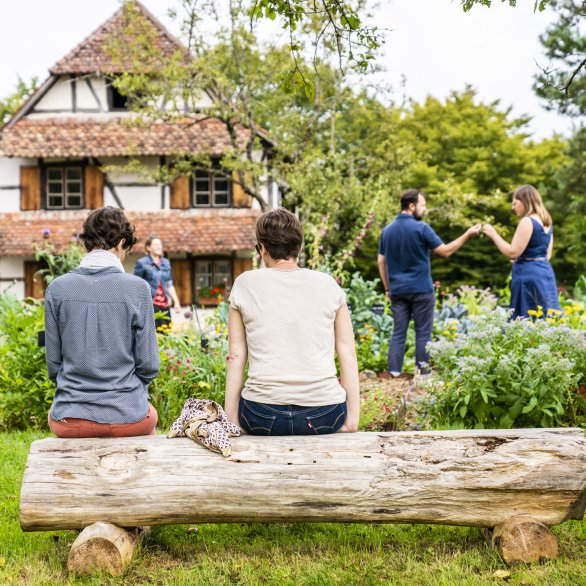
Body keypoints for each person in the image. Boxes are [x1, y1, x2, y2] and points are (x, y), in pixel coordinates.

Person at [224, 208, 360, 435]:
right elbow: (348, 352)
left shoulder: (245, 283)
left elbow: (236, 355)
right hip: (325, 413)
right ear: (299, 248)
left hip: (261, 414)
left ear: (263, 248)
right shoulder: (328, 284)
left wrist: (231, 421)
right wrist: (352, 420)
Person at [45, 207, 160, 438]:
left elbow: (53, 366)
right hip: (128, 416)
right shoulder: (137, 289)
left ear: (85, 244)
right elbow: (149, 365)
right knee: (150, 420)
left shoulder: (57, 288)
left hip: (70, 417)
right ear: (121, 244)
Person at [377, 189, 481, 377]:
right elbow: (446, 251)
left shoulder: (387, 231)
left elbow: (381, 262)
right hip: (421, 290)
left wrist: (387, 288)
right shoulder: (422, 228)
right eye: (423, 205)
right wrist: (467, 234)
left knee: (398, 333)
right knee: (423, 333)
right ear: (411, 206)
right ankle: (424, 376)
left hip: (397, 291)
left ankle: (393, 374)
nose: (425, 209)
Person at [482, 184, 561, 319]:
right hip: (545, 274)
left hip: (528, 277)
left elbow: (512, 252)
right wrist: (523, 258)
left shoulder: (527, 221)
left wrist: (494, 234)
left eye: (515, 203)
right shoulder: (547, 221)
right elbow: (546, 255)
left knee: (527, 319)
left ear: (525, 201)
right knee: (546, 318)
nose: (513, 208)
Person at [134, 236, 181, 331]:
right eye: (155, 244)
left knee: (167, 333)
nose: (159, 246)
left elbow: (169, 283)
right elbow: (136, 285)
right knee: (153, 334)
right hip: (151, 304)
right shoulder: (142, 263)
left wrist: (176, 301)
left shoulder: (166, 262)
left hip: (165, 304)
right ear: (148, 248)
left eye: (160, 244)